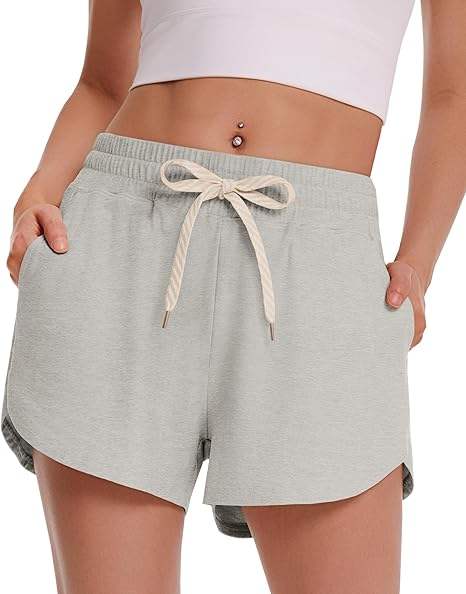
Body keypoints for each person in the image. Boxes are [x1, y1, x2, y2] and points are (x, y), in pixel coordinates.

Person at [2, 1, 465, 593]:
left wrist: (419, 261)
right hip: (124, 239)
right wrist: (37, 194)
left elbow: (454, 92)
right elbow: (102, 81)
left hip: (320, 262)